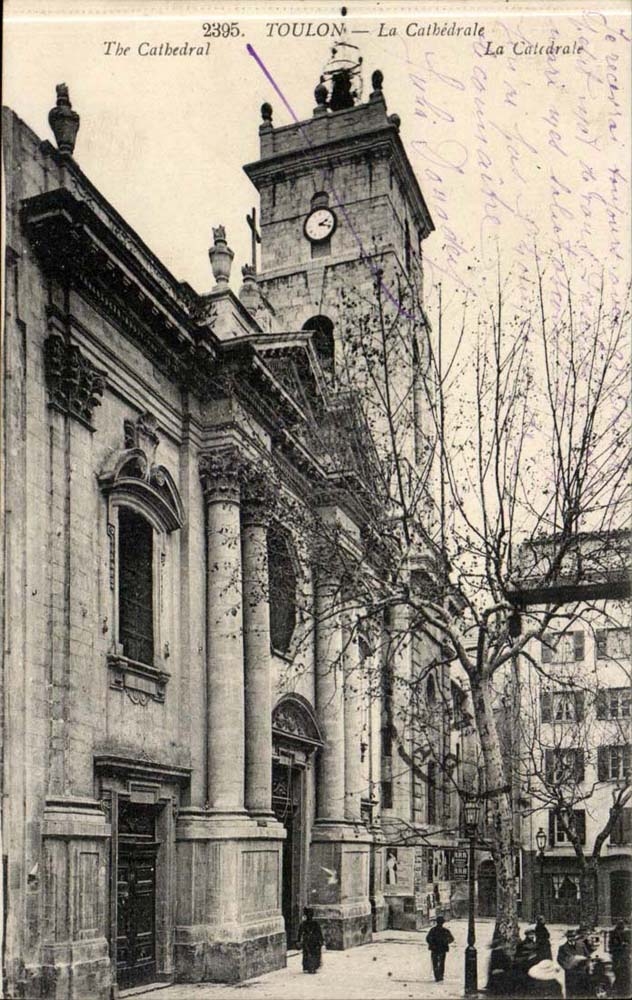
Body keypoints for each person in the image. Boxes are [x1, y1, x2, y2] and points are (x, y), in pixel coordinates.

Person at [557, 929, 590, 999]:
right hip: (570, 974)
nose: (571, 938)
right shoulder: (562, 948)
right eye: (569, 936)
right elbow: (559, 959)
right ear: (567, 937)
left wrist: (586, 966)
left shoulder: (582, 945)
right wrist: (567, 966)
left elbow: (588, 957)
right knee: (570, 993)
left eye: (573, 936)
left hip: (581, 972)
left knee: (582, 992)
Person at [426, 915, 454, 983]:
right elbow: (451, 939)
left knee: (435, 962)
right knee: (441, 962)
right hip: (442, 949)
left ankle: (437, 976)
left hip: (435, 949)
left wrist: (432, 944)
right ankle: (440, 976)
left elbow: (428, 938)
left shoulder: (433, 930)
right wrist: (446, 942)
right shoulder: (445, 930)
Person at [297, 907, 324, 974]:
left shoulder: (303, 924)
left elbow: (300, 933)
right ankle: (313, 967)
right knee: (314, 954)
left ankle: (308, 967)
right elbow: (319, 933)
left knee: (307, 953)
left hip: (307, 941)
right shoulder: (315, 923)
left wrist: (298, 941)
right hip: (314, 941)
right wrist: (321, 941)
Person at [610, 920, 631, 998]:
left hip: (624, 959)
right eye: (620, 928)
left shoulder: (625, 934)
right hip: (618, 959)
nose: (621, 930)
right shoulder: (614, 934)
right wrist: (622, 946)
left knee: (624, 975)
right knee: (619, 974)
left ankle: (622, 991)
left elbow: (628, 945)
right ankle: (618, 991)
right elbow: (612, 947)